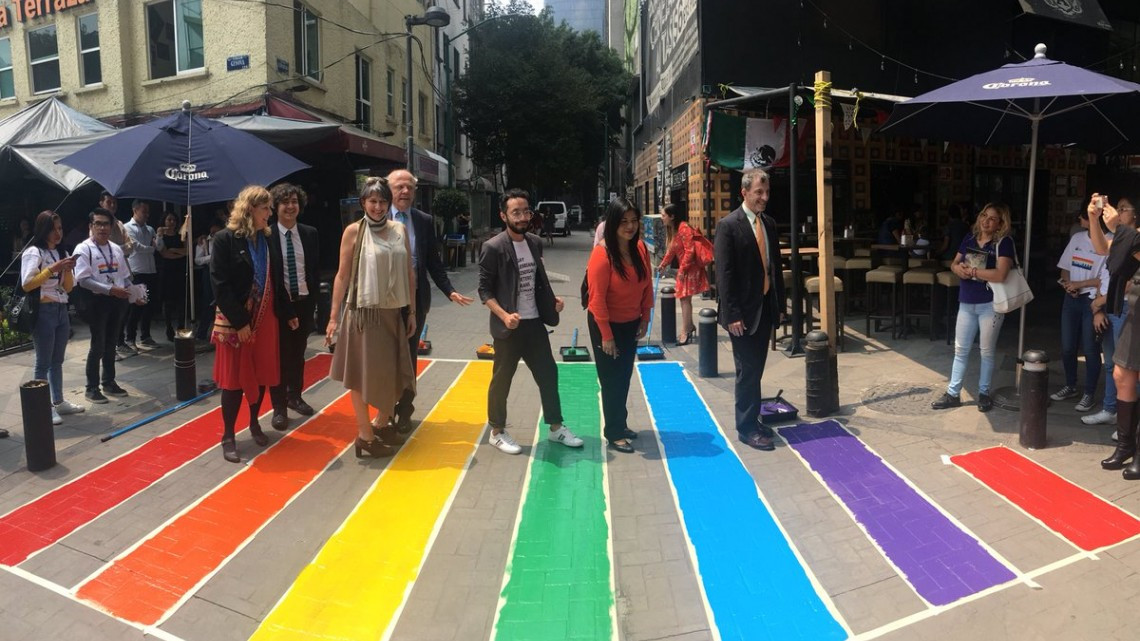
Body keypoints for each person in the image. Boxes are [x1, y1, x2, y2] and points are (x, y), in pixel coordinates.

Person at [479, 188, 582, 455]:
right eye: (516, 212)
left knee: (548, 374)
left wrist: (552, 301)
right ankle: (497, 432)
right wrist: (504, 315)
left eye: (526, 211)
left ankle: (556, 427)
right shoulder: (493, 247)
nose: (523, 217)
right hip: (509, 328)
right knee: (502, 380)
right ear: (504, 216)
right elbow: (484, 291)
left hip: (535, 323)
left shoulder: (535, 242)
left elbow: (537, 281)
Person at [325, 177, 416, 458]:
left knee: (392, 371)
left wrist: (411, 311)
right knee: (360, 375)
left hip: (393, 312)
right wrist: (333, 317)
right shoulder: (353, 231)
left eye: (383, 201)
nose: (378, 207)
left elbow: (409, 273)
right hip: (363, 315)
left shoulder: (399, 229)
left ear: (389, 203)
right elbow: (342, 276)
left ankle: (381, 423)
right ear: (363, 202)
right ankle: (365, 435)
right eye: (372, 201)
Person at [210, 186, 298, 463]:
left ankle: (254, 423)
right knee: (234, 382)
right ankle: (228, 435)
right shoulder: (225, 239)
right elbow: (220, 285)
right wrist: (240, 322)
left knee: (260, 375)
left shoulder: (268, 238)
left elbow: (277, 280)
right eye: (266, 208)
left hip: (266, 319)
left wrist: (288, 312)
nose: (270, 213)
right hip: (237, 321)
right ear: (250, 209)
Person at [386, 169, 473, 433]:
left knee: (409, 356)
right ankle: (384, 410)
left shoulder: (423, 220)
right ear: (389, 190)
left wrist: (450, 291)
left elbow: (434, 262)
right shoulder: (376, 216)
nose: (405, 191)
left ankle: (404, 410)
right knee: (384, 356)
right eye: (399, 187)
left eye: (410, 187)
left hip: (415, 299)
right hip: (383, 302)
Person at [714, 168, 785, 451]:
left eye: (767, 192)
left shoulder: (769, 224)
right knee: (747, 371)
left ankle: (753, 419)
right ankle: (746, 428)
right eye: (759, 192)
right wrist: (732, 314)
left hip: (764, 308)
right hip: (741, 314)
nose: (764, 197)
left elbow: (775, 268)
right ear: (744, 192)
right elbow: (724, 274)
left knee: (756, 369)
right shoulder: (729, 226)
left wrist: (779, 305)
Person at [931, 203, 1015, 413]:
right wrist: (958, 269)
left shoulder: (1003, 243)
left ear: (1000, 224)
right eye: (984, 216)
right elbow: (954, 263)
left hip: (990, 304)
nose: (986, 221)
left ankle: (984, 393)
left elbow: (1001, 274)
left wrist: (974, 272)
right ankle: (953, 393)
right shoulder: (969, 238)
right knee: (960, 349)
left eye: (992, 218)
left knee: (986, 351)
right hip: (966, 301)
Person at [587, 198, 652, 453]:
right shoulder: (602, 255)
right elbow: (596, 300)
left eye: (634, 221)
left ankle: (620, 423)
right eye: (624, 221)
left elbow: (647, 286)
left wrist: (645, 318)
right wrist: (606, 335)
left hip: (631, 321)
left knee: (624, 376)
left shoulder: (640, 249)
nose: (630, 226)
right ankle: (613, 433)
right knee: (611, 379)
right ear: (613, 223)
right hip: (606, 324)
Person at [1089, 194, 1140, 478]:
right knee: (1122, 375)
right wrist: (1095, 220)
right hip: (1135, 309)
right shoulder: (1130, 236)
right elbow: (1102, 248)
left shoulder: (1131, 236)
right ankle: (1125, 446)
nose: (1118, 212)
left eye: (1123, 209)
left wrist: (1119, 230)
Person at [20, 210, 84, 425]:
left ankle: (58, 401)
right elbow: (27, 284)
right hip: (43, 310)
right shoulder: (34, 252)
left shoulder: (61, 252)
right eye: (53, 229)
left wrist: (67, 270)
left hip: (60, 308)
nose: (58, 233)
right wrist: (52, 269)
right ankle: (43, 406)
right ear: (43, 230)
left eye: (60, 228)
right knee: (43, 362)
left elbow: (69, 287)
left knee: (57, 360)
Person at [268, 183, 320, 430]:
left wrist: (315, 302)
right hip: (278, 307)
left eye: (294, 202)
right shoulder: (266, 235)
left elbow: (314, 270)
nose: (290, 207)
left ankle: (295, 396)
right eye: (285, 202)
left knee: (298, 354)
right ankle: (278, 407)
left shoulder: (310, 233)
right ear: (275, 207)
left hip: (304, 303)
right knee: (279, 357)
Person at [74, 207, 136, 404]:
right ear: (91, 226)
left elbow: (124, 277)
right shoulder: (83, 249)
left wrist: (136, 293)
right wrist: (110, 290)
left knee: (111, 343)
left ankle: (109, 382)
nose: (102, 228)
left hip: (117, 301)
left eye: (106, 224)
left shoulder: (116, 248)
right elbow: (83, 280)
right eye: (98, 224)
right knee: (98, 344)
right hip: (96, 302)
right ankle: (91, 388)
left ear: (111, 226)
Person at [1051, 209, 1106, 412]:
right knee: (1067, 346)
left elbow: (1105, 279)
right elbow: (1065, 267)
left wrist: (1079, 284)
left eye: (1083, 216)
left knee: (1091, 349)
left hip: (1092, 300)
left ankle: (1089, 393)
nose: (1080, 219)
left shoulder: (1108, 242)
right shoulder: (1077, 238)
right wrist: (1068, 285)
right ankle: (1071, 385)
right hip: (1071, 298)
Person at [656, 203, 709, 345]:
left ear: (672, 216)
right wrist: (663, 265)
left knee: (684, 298)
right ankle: (689, 326)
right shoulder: (674, 230)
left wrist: (682, 270)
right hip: (686, 268)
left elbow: (690, 251)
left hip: (690, 269)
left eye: (663, 215)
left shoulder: (684, 228)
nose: (662, 218)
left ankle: (685, 331)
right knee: (684, 298)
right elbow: (671, 250)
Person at [123, 200, 159, 350]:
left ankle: (146, 336)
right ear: (135, 210)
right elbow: (136, 247)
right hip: (137, 271)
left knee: (149, 306)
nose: (147, 215)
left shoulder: (150, 229)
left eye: (148, 212)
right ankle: (130, 338)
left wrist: (159, 238)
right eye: (144, 211)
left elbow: (159, 246)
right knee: (136, 306)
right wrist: (152, 249)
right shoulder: (127, 227)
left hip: (151, 270)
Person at [156, 212, 188, 342]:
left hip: (180, 270)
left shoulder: (181, 235)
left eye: (174, 220)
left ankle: (181, 327)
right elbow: (164, 253)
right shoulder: (161, 235)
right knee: (167, 301)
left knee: (181, 301)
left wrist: (173, 250)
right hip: (166, 271)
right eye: (169, 220)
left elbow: (186, 251)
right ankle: (168, 327)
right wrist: (178, 253)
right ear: (164, 221)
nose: (171, 222)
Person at [193, 218, 224, 342]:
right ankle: (202, 332)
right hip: (209, 272)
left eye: (217, 230)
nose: (214, 233)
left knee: (222, 301)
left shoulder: (225, 239)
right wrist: (211, 258)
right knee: (207, 301)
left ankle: (221, 333)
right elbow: (197, 260)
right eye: (212, 231)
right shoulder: (204, 241)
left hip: (223, 272)